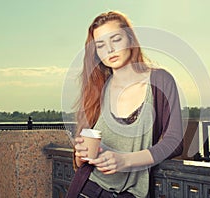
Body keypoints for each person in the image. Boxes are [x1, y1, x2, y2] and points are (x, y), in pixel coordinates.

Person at [66, 11, 183, 198]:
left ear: (130, 39)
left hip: (130, 193)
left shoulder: (160, 80)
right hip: (87, 189)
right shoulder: (98, 89)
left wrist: (125, 161)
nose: (110, 50)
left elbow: (174, 141)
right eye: (101, 45)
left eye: (116, 39)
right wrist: (80, 155)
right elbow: (81, 162)